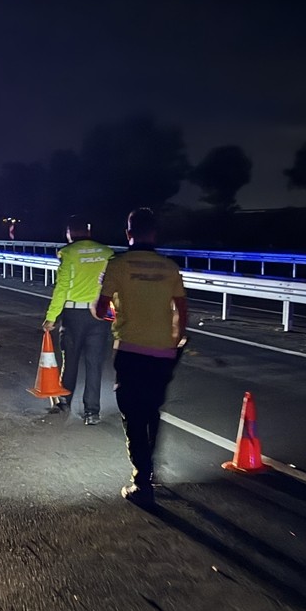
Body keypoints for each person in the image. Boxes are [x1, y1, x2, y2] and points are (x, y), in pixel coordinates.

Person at [92, 207, 188, 505]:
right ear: (154, 233)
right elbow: (182, 313)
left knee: (132, 415)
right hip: (163, 352)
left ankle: (141, 481)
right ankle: (150, 471)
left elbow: (99, 309)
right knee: (151, 411)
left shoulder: (117, 265)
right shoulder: (169, 267)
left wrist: (111, 311)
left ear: (128, 234)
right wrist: (176, 341)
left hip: (131, 349)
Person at [42, 215, 114, 424]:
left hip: (74, 315)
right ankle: (92, 412)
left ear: (69, 233)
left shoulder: (68, 253)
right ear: (89, 231)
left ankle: (64, 402)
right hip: (100, 314)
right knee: (94, 364)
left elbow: (62, 288)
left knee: (70, 361)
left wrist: (51, 317)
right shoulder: (106, 252)